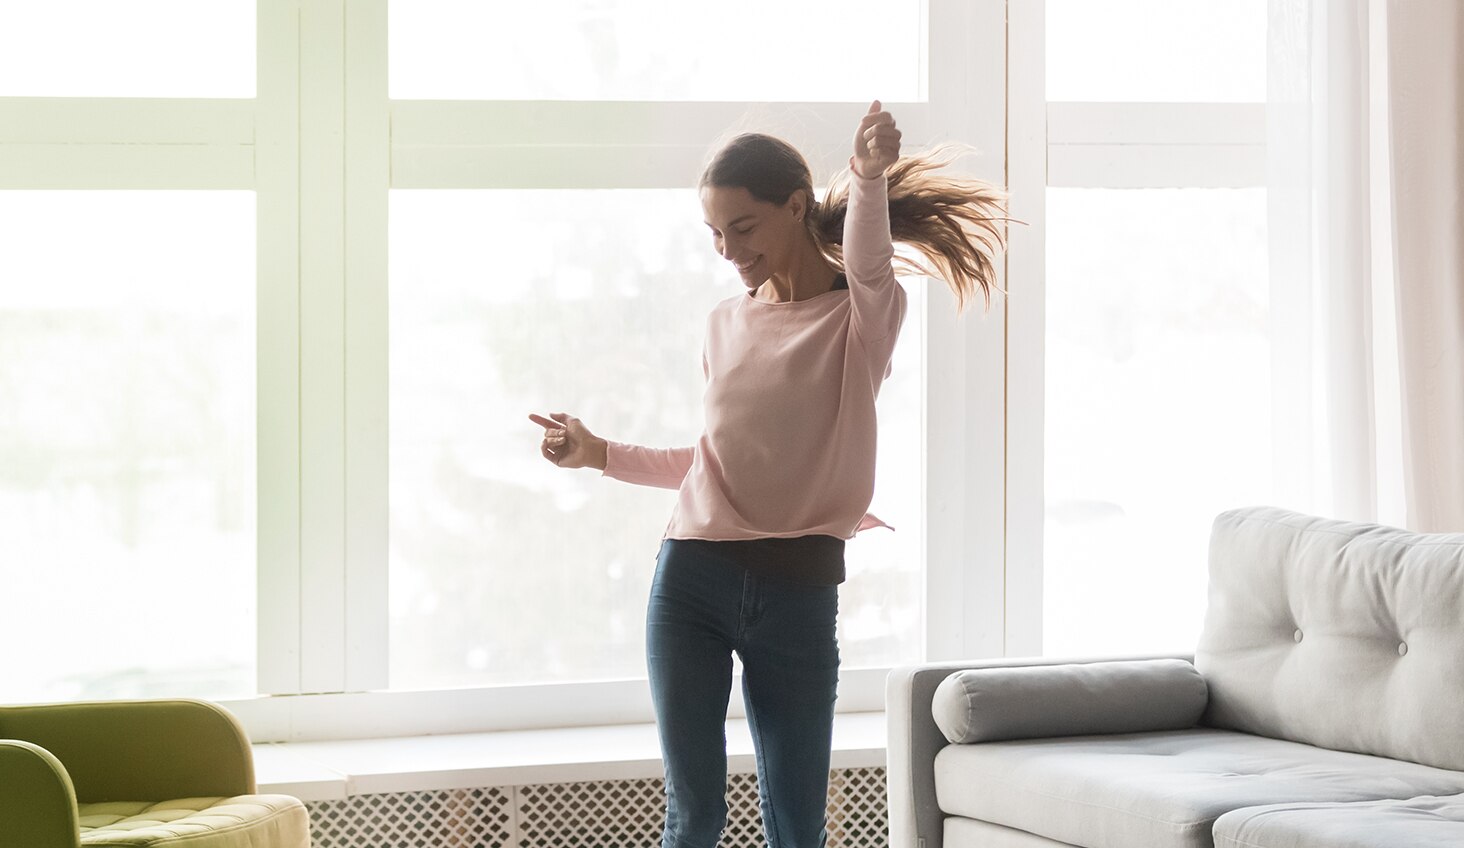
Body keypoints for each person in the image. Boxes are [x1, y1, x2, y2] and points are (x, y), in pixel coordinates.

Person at [530, 100, 1010, 848]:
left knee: (797, 826)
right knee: (694, 818)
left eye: (743, 229)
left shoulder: (860, 319)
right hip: (689, 582)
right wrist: (599, 454)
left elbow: (870, 259)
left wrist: (868, 176)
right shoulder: (726, 322)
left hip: (798, 595)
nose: (728, 250)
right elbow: (718, 462)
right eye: (715, 234)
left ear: (795, 207)